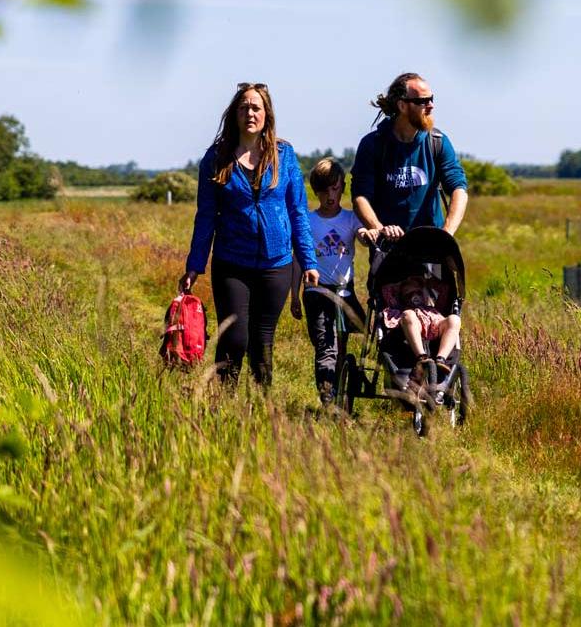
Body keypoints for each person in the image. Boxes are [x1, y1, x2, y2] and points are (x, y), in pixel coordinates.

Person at [179, 82, 319, 387]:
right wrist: (195, 264)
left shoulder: (284, 155)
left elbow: (298, 211)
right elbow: (205, 216)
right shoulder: (217, 158)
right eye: (244, 107)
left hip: (276, 263)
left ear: (267, 114)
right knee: (235, 336)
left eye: (256, 107)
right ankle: (220, 406)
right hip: (232, 262)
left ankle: (261, 411)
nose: (250, 113)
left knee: (262, 341)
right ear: (234, 114)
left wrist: (308, 261)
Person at [292, 158, 378, 405]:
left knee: (342, 345)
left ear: (342, 188)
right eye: (324, 189)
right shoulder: (308, 221)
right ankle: (328, 401)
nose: (330, 195)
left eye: (335, 188)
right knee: (325, 347)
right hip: (316, 292)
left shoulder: (351, 219)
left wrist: (367, 233)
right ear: (316, 191)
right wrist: (294, 296)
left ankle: (341, 395)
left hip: (344, 292)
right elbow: (297, 260)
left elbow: (362, 236)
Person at [350, 72, 469, 238]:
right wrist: (380, 229)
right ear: (402, 106)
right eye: (422, 101)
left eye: (431, 99)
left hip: (431, 249)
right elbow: (360, 197)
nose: (431, 106)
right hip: (388, 251)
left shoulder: (437, 142)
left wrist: (446, 234)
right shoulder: (373, 145)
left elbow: (459, 189)